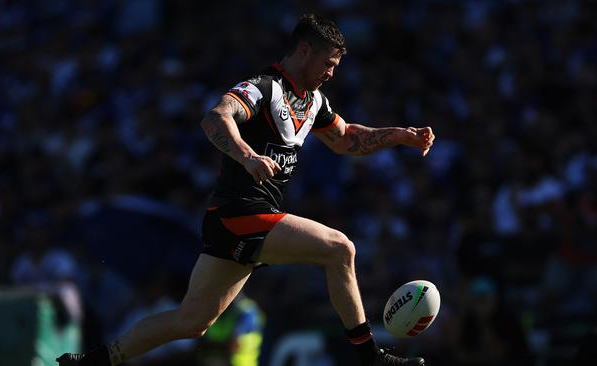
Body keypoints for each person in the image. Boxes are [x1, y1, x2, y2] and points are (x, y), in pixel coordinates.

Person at [58, 13, 434, 366]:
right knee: (340, 249)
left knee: (191, 322)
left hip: (239, 223)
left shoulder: (313, 101)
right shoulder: (264, 87)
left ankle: (94, 361)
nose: (331, 73)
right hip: (240, 213)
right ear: (304, 50)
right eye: (328, 63)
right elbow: (215, 118)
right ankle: (369, 355)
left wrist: (399, 136)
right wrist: (248, 156)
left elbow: (347, 139)